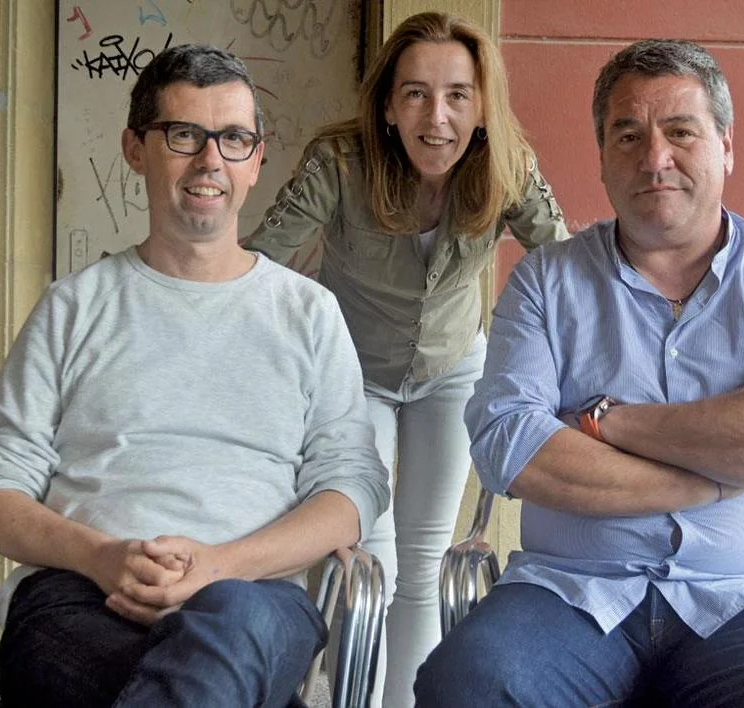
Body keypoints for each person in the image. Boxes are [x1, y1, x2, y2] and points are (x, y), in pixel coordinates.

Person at [416, 39, 744, 707]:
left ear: (725, 147)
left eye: (681, 131)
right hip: (568, 593)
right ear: (602, 158)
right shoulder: (545, 282)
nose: (655, 159)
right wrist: (720, 476)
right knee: (467, 686)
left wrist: (607, 423)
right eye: (628, 136)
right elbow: (510, 445)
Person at [0, 44, 389, 708]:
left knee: (229, 637)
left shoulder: (308, 314)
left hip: (251, 597)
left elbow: (352, 489)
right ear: (135, 149)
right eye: (184, 135)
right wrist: (102, 556)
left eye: (233, 139)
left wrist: (221, 566)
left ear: (256, 159)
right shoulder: (74, 308)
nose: (210, 160)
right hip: (80, 596)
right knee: (215, 678)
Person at [243, 11, 567, 706]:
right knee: (371, 558)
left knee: (424, 560)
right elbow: (259, 264)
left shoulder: (507, 164)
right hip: (353, 375)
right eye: (415, 93)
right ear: (388, 105)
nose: (436, 117)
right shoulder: (340, 161)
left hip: (452, 369)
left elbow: (567, 271)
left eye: (457, 95)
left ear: (482, 107)